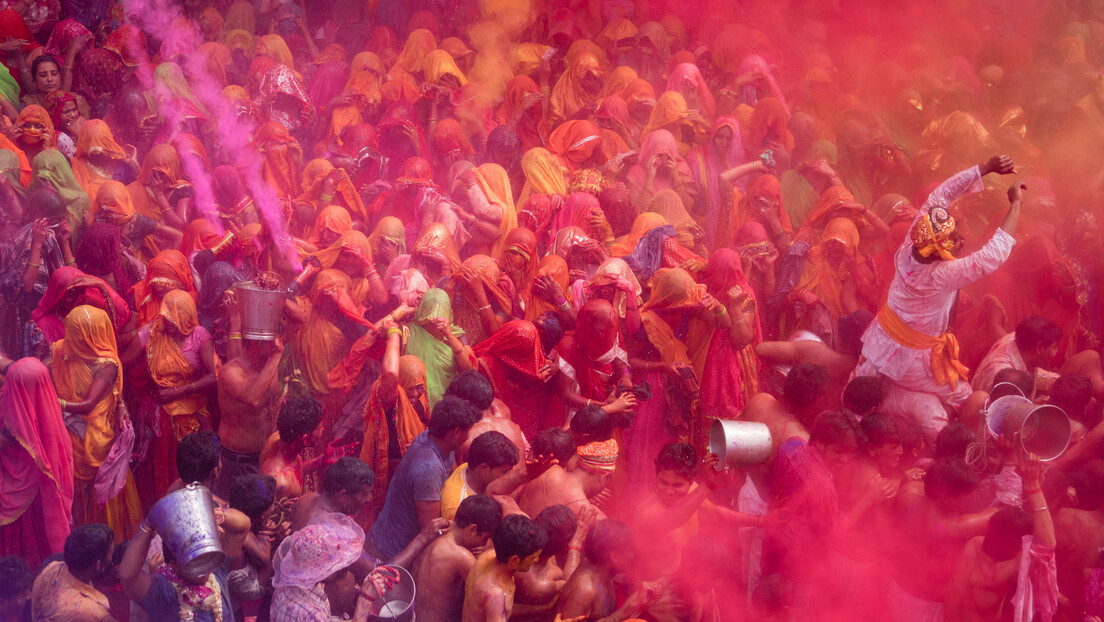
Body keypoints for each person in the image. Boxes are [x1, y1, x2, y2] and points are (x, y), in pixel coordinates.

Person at [855, 155, 1022, 440]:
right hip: (913, 363)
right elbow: (992, 256)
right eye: (956, 237)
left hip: (880, 342)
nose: (961, 239)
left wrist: (985, 166)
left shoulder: (912, 244)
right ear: (944, 252)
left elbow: (941, 195)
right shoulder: (942, 274)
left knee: (860, 389)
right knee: (969, 396)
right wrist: (1016, 204)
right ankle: (965, 445)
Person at [369, 395, 481, 560]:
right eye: (468, 431)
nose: (468, 436)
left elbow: (453, 477)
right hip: (392, 554)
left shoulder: (436, 439)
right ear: (456, 432)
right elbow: (432, 530)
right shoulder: (429, 467)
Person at [0, 357, 73, 571]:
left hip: (21, 489)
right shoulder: (39, 397)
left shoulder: (20, 413)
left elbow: (7, 438)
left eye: (11, 381)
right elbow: (18, 370)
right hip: (32, 486)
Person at [213, 337, 283, 500]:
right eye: (270, 341)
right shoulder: (230, 371)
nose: (276, 344)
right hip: (236, 463)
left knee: (259, 519)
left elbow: (299, 319)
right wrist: (275, 356)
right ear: (254, 344)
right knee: (231, 517)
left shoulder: (267, 364)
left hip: (263, 458)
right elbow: (252, 398)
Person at [414, 495, 502, 622]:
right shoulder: (462, 557)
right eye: (484, 538)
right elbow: (490, 600)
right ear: (472, 529)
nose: (484, 544)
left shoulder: (435, 531)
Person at [555, 519, 661, 621]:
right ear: (614, 557)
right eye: (630, 551)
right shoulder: (585, 590)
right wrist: (630, 608)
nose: (633, 556)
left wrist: (638, 602)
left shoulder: (604, 568)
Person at [461, 514, 548, 622]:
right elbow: (496, 606)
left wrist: (542, 609)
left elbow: (502, 608)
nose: (536, 560)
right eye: (533, 558)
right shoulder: (494, 594)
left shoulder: (488, 556)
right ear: (515, 560)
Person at [30, 524, 115, 622]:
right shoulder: (92, 612)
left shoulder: (51, 568)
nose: (111, 558)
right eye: (111, 554)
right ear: (97, 565)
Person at [441, 431, 520, 520]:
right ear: (484, 469)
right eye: (505, 471)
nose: (510, 476)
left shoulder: (473, 468)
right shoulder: (457, 508)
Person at [289, 457, 375, 532]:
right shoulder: (332, 530)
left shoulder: (307, 497)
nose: (369, 498)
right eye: (365, 494)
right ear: (343, 496)